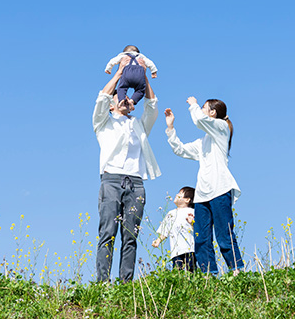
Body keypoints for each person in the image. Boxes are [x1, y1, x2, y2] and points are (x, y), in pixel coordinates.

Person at [93, 56, 161, 282]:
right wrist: (119, 73)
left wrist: (143, 76)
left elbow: (152, 107)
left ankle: (125, 284)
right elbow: (102, 98)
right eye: (118, 98)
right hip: (111, 180)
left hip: (136, 183)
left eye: (127, 99)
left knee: (130, 236)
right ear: (112, 104)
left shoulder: (139, 125)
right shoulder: (104, 123)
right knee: (107, 234)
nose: (123, 101)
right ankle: (103, 283)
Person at [164, 97, 244, 275]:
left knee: (224, 234)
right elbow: (181, 150)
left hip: (220, 189)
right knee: (201, 238)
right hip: (202, 195)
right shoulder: (203, 142)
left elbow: (200, 120)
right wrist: (170, 129)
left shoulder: (222, 129)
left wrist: (193, 104)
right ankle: (210, 275)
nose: (200, 110)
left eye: (203, 108)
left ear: (212, 113)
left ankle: (237, 271)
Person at [152, 186, 196, 272]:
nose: (176, 194)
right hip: (176, 251)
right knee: (176, 272)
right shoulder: (170, 213)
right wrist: (158, 240)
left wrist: (192, 223)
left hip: (189, 248)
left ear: (187, 200)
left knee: (191, 271)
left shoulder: (191, 211)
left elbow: (197, 230)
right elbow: (165, 231)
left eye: (180, 194)